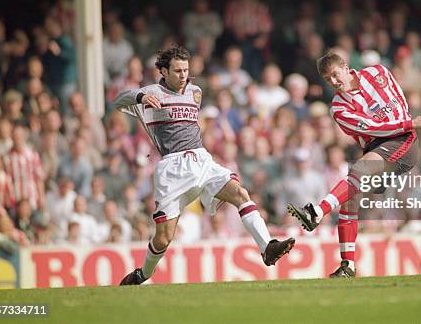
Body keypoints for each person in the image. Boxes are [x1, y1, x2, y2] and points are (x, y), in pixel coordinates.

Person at [113, 45, 294, 285]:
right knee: (164, 239)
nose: (183, 75)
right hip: (173, 169)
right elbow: (117, 101)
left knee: (240, 193)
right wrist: (140, 96)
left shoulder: (195, 92)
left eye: (186, 70)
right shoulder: (152, 92)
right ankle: (142, 274)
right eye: (177, 71)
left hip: (201, 159)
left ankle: (267, 248)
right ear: (164, 71)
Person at [287, 49, 421, 277]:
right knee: (349, 200)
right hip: (385, 141)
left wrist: (406, 126)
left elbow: (398, 98)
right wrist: (407, 123)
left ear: (345, 67)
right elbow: (370, 128)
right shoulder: (338, 108)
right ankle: (348, 266)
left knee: (358, 170)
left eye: (335, 74)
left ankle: (317, 212)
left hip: (403, 141)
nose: (334, 82)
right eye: (328, 80)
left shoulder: (379, 72)